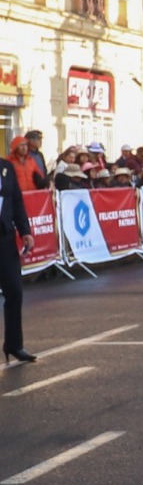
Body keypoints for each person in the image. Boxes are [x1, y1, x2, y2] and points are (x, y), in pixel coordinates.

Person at [1, 147, 36, 364]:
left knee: (14, 291)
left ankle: (14, 344)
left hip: (4, 238)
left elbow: (16, 202)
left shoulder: (6, 168)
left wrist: (25, 231)